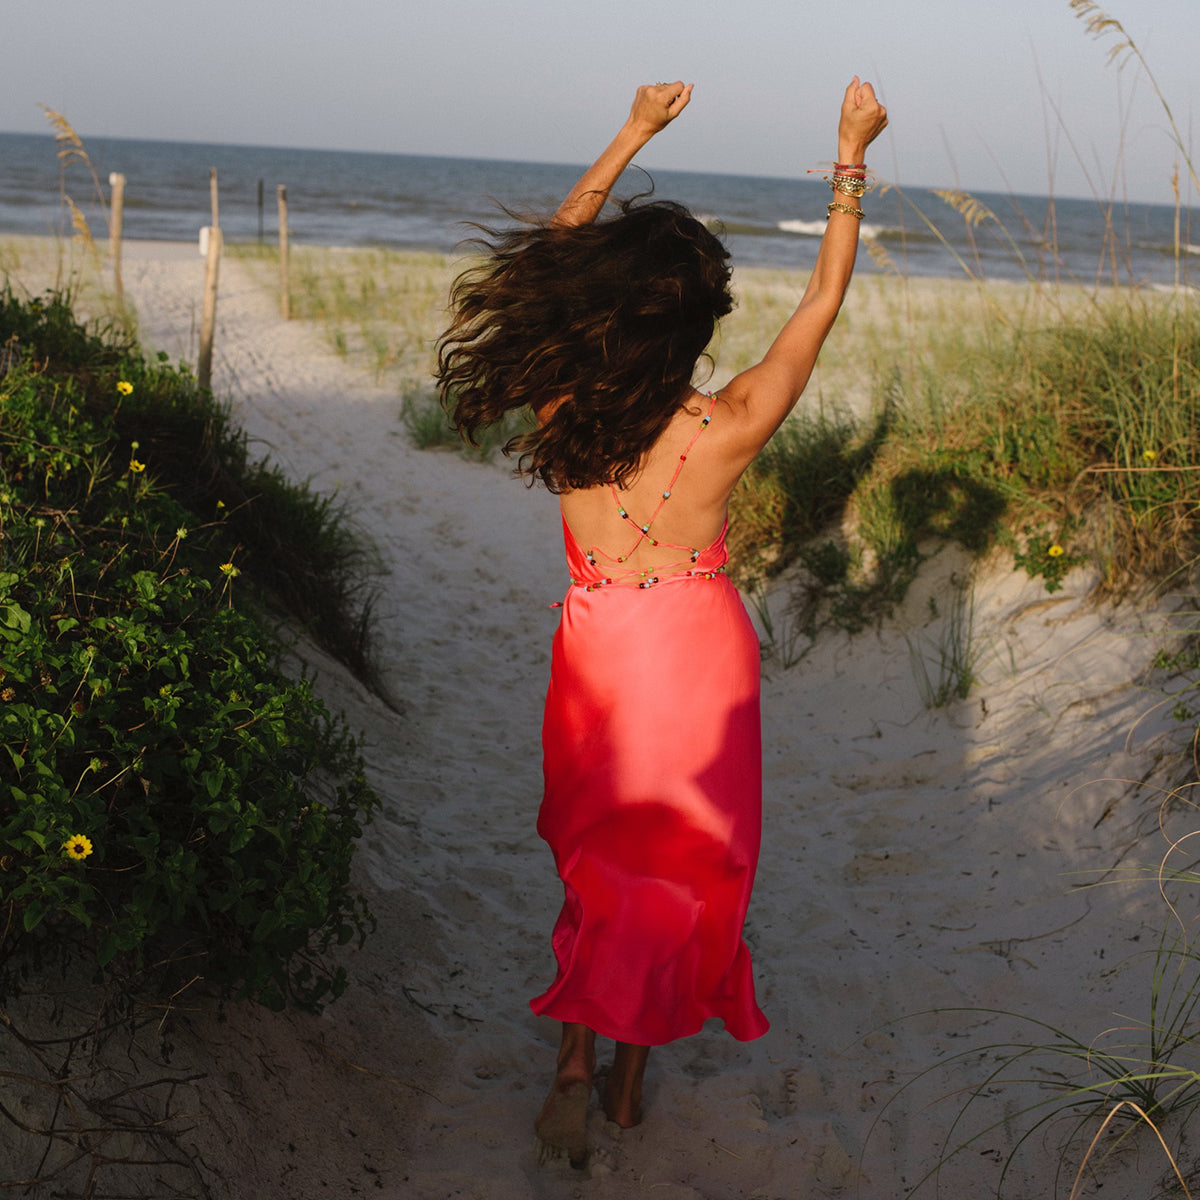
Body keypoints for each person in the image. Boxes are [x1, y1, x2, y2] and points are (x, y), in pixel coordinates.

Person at [436, 77, 888, 1166]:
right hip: (698, 649)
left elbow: (545, 261)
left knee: (604, 867)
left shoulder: (562, 397)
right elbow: (822, 304)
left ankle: (574, 1067)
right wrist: (849, 155)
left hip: (600, 648)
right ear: (694, 323)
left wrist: (633, 132)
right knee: (688, 874)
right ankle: (630, 1088)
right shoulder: (727, 424)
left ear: (603, 310)